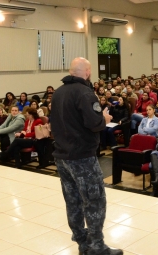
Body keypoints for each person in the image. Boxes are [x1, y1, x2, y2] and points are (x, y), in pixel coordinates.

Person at [51, 57, 123, 255]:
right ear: (88, 72)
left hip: (62, 156)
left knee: (72, 200)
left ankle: (82, 243)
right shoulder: (84, 92)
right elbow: (94, 123)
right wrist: (105, 118)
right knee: (94, 200)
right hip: (81, 156)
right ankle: (97, 247)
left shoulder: (58, 93)